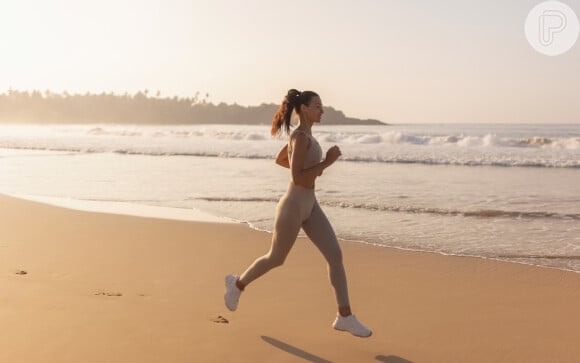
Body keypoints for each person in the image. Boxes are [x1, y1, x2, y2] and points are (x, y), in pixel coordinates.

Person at [224, 89, 371, 337]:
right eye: (317, 106)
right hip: (293, 205)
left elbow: (284, 160)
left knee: (335, 255)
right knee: (276, 258)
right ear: (304, 108)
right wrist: (327, 162)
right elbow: (298, 177)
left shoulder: (305, 137)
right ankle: (237, 284)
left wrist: (309, 164)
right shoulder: (300, 137)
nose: (322, 110)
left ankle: (344, 316)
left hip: (310, 204)